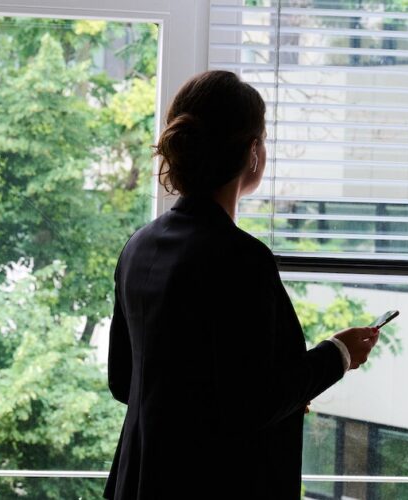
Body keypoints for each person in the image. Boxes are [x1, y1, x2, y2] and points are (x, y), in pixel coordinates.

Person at [103, 70, 379, 499]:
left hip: (138, 482)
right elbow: (253, 401)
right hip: (215, 483)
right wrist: (338, 354)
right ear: (253, 151)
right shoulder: (240, 258)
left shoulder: (138, 246)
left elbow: (125, 382)